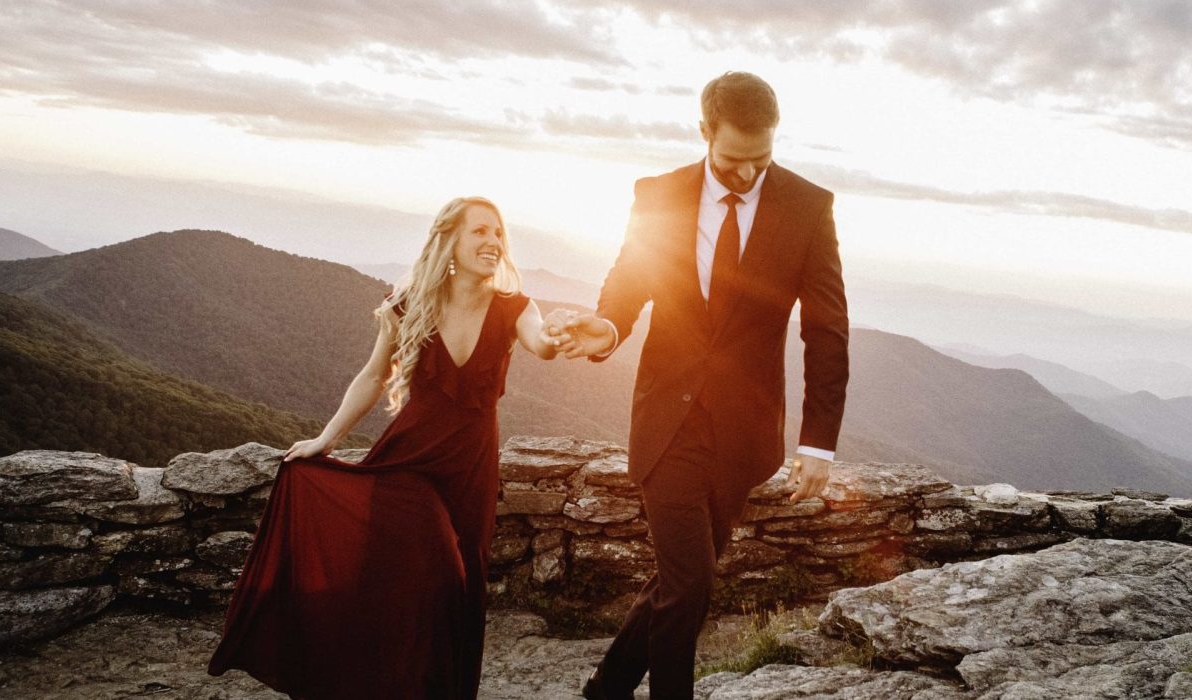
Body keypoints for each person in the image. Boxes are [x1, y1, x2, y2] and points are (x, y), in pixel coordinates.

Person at [551, 71, 850, 699]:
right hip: (667, 420)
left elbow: (827, 330)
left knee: (679, 579)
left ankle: (606, 689)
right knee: (690, 583)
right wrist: (605, 329)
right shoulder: (659, 195)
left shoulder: (807, 206)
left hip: (743, 435)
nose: (747, 175)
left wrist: (818, 443)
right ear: (704, 132)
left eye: (761, 160)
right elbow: (631, 281)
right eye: (733, 160)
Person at [207, 196, 562, 699]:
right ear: (451, 242)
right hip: (409, 463)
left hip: (471, 469)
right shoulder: (411, 303)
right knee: (439, 567)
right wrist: (325, 440)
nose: (493, 242)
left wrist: (570, 335)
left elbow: (543, 343)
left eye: (499, 233)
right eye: (480, 231)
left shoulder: (515, 308)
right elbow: (375, 376)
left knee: (462, 586)